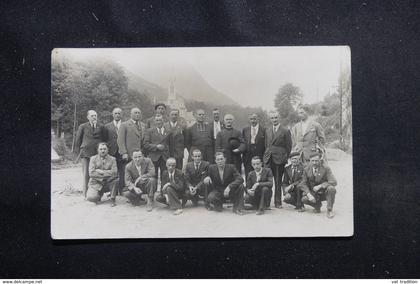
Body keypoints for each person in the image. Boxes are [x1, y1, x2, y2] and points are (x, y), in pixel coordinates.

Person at [263, 110, 292, 208]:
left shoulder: (285, 130)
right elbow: (266, 145)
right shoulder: (267, 130)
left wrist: (284, 158)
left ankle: (278, 202)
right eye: (272, 118)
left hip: (279, 159)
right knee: (266, 180)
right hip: (268, 158)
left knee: (278, 181)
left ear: (279, 118)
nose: (274, 120)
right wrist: (266, 156)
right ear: (270, 119)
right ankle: (266, 202)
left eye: (276, 117)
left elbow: (289, 147)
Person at [74, 110, 106, 198]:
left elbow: (104, 140)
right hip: (86, 154)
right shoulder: (83, 126)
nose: (94, 117)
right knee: (86, 175)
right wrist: (78, 154)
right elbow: (78, 141)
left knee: (98, 174)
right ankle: (85, 195)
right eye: (92, 116)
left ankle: (98, 194)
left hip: (98, 155)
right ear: (88, 117)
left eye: (95, 115)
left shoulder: (101, 127)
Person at [300, 153, 337, 218]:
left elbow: (334, 182)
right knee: (304, 199)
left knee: (331, 189)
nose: (314, 163)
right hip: (314, 193)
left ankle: (329, 210)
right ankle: (317, 206)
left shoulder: (326, 168)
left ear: (320, 160)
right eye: (312, 161)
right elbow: (303, 183)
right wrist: (309, 194)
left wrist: (320, 186)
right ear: (310, 161)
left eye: (316, 161)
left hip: (324, 192)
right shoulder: (306, 169)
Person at [104, 107, 124, 194]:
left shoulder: (125, 125)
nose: (117, 115)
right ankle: (113, 192)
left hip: (122, 152)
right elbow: (105, 140)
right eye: (115, 113)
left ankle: (122, 190)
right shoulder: (107, 126)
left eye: (119, 113)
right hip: (111, 152)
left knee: (122, 171)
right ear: (112, 115)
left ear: (121, 115)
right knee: (112, 172)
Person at [144, 115, 170, 180]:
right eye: (157, 120)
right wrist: (156, 146)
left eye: (160, 120)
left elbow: (171, 144)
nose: (158, 122)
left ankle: (163, 190)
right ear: (154, 122)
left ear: (163, 121)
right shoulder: (149, 131)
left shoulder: (169, 131)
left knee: (164, 175)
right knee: (153, 175)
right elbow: (145, 144)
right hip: (154, 157)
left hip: (165, 157)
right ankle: (153, 190)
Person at [242, 113, 266, 178]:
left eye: (254, 119)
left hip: (259, 155)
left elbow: (265, 144)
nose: (253, 121)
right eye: (251, 119)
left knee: (259, 176)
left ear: (258, 119)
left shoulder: (264, 130)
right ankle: (248, 188)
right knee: (248, 175)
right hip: (247, 156)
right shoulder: (245, 130)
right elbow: (243, 142)